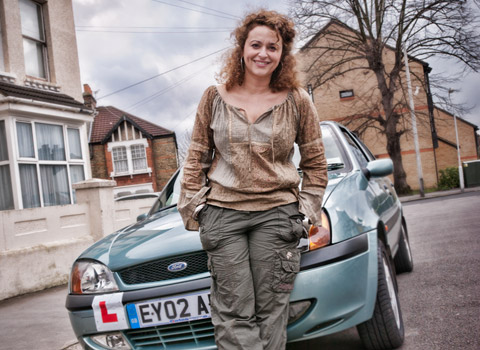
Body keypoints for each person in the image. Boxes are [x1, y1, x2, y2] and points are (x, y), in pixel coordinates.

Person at [178, 9, 328, 350]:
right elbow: (196, 159)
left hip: (277, 216)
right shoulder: (214, 97)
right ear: (242, 48)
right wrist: (195, 209)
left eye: (272, 47)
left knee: (272, 312)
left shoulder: (298, 101)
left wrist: (305, 211)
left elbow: (316, 164)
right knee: (233, 314)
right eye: (255, 44)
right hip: (222, 215)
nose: (263, 53)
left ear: (282, 54)